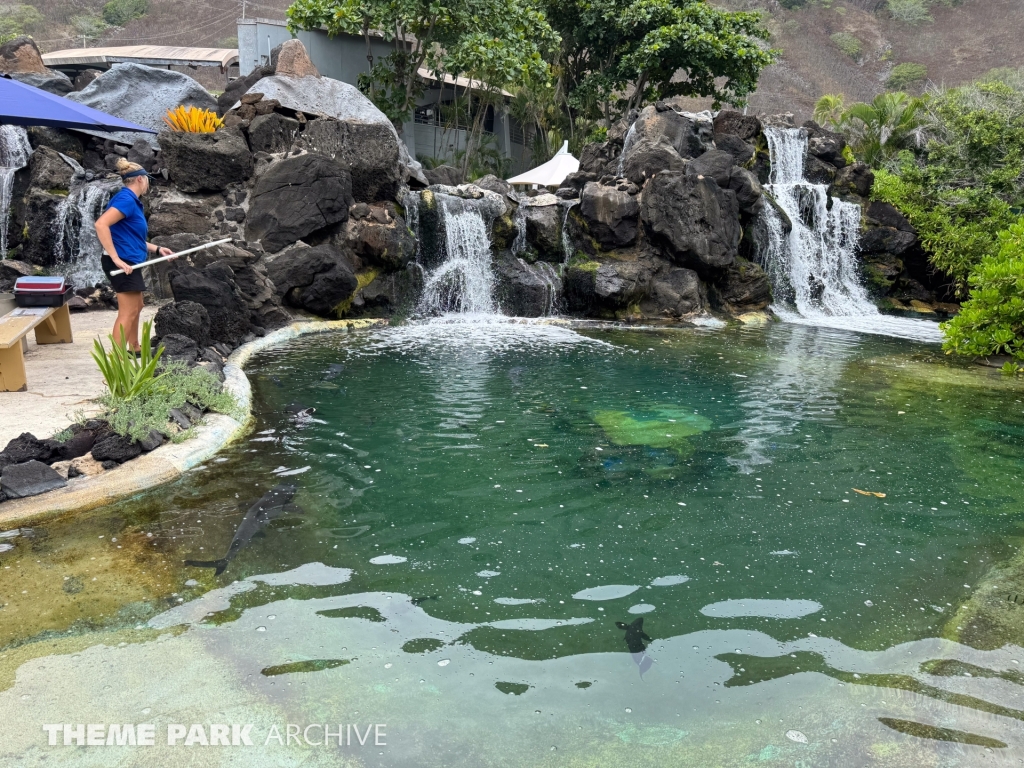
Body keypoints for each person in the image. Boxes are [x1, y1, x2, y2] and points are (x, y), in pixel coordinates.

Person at [94, 158, 175, 353]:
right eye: (148, 180)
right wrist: (116, 259)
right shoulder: (126, 200)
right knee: (128, 311)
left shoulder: (130, 201)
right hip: (122, 263)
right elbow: (101, 224)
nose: (148, 183)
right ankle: (117, 359)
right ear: (140, 179)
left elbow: (130, 237)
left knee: (137, 305)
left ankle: (134, 347)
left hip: (129, 261)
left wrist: (157, 249)